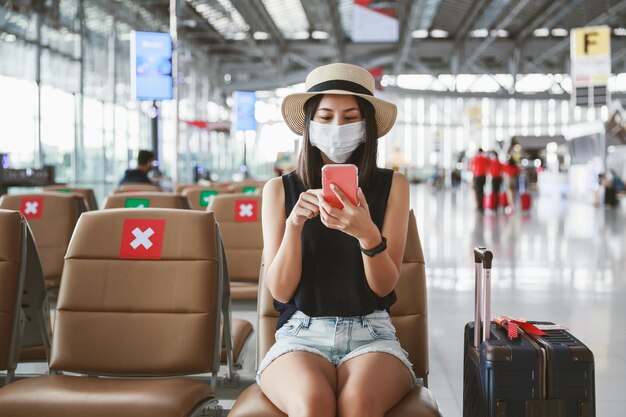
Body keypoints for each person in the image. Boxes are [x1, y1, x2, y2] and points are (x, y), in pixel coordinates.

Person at [259, 63, 415, 417]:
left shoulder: (394, 186)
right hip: (301, 331)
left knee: (358, 405)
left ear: (366, 127)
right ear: (310, 125)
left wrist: (367, 233)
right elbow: (281, 293)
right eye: (326, 117)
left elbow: (384, 288)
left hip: (371, 331)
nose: (337, 127)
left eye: (349, 117)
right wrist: (294, 225)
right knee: (312, 405)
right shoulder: (278, 191)